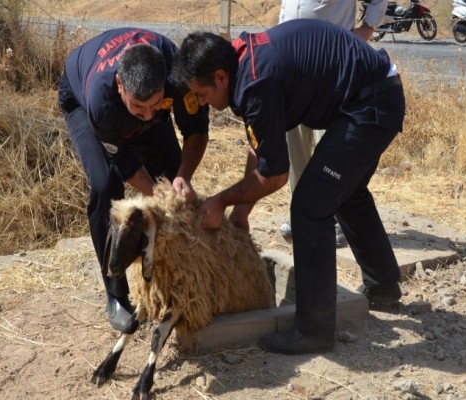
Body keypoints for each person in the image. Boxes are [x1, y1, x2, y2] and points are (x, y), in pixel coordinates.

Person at [171, 20, 405, 354]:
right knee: (343, 191)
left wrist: (220, 201)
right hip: (374, 93)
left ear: (220, 77)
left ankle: (314, 330)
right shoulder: (244, 63)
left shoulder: (255, 82)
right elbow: (262, 147)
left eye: (202, 94)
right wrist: (240, 214)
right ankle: (382, 285)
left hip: (371, 104)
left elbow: (276, 175)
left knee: (310, 206)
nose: (203, 102)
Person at [58, 28, 209, 334]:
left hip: (137, 98)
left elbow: (196, 131)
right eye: (138, 108)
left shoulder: (179, 76)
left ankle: (177, 276)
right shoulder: (102, 100)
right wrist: (158, 194)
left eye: (155, 105)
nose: (146, 115)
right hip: (79, 99)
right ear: (120, 86)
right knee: (105, 185)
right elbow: (124, 163)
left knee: (172, 176)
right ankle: (115, 294)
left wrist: (181, 178)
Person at [277, 0, 390, 244]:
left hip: (332, 66)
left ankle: (334, 219)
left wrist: (367, 29)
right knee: (295, 144)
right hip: (293, 65)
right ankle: (301, 214)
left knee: (331, 151)